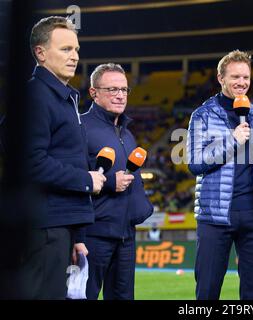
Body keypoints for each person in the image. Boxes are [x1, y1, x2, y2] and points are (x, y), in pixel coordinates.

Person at [187, 50, 253, 300]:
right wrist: (232, 140)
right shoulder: (202, 115)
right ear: (221, 78)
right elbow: (195, 163)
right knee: (207, 290)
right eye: (235, 77)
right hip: (215, 216)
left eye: (246, 77)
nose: (242, 83)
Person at [24, 16, 106, 299]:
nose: (75, 57)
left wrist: (77, 236)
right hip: (42, 229)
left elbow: (66, 158)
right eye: (66, 49)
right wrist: (85, 179)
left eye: (77, 49)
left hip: (60, 228)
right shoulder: (34, 97)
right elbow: (29, 163)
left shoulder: (64, 98)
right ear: (41, 53)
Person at [75, 63, 153, 300]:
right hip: (93, 234)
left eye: (124, 90)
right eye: (111, 89)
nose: (120, 95)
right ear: (93, 93)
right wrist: (109, 182)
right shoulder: (79, 127)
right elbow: (69, 178)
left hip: (126, 235)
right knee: (82, 296)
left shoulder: (127, 133)